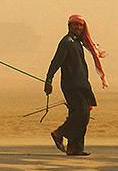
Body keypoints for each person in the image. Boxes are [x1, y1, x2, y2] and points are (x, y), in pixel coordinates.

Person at [45, 14, 107, 156]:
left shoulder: (77, 43)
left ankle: (74, 148)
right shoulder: (66, 42)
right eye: (75, 25)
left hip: (81, 84)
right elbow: (56, 62)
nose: (78, 28)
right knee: (81, 112)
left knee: (83, 115)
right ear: (69, 26)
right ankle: (59, 133)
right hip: (72, 84)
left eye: (81, 25)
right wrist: (48, 80)